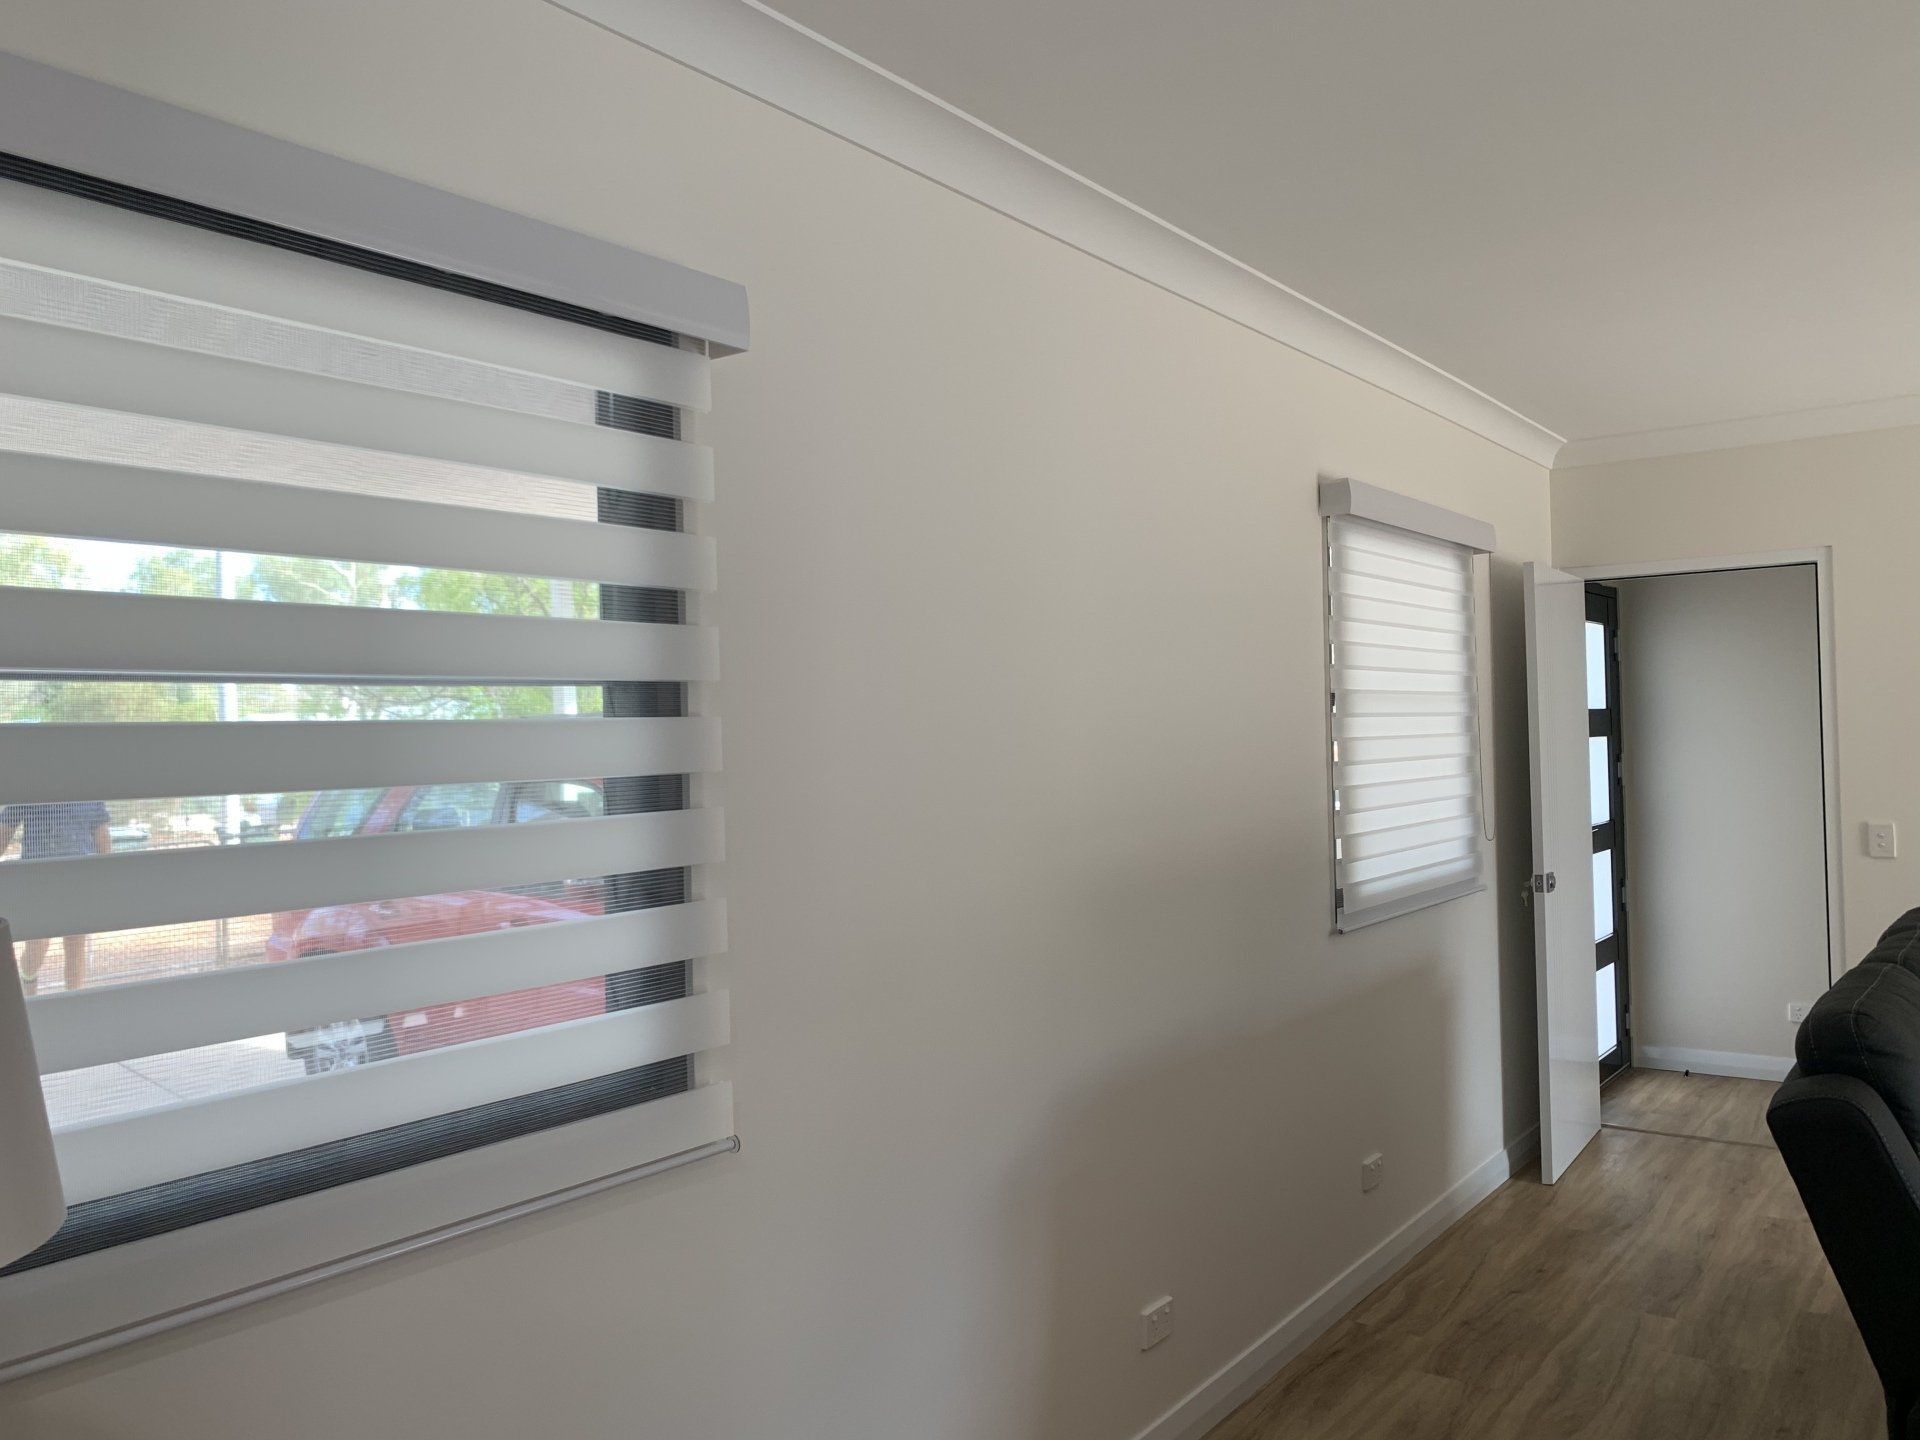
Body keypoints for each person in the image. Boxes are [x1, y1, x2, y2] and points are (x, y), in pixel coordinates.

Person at [0, 801, 112, 994]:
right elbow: (5, 829)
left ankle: (74, 1001)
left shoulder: (88, 793)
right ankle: (29, 991)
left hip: (78, 880)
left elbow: (101, 834)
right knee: (37, 942)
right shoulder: (30, 789)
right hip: (37, 880)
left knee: (75, 944)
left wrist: (108, 875)